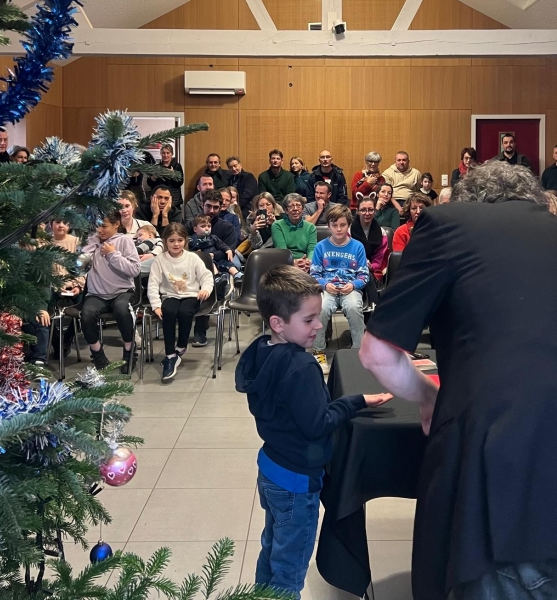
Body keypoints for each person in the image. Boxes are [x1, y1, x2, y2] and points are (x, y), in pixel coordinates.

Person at [359, 161, 557, 600]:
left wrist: (428, 395)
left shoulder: (450, 222)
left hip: (510, 475)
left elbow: (376, 352)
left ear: (470, 201)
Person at [235, 265, 392, 599]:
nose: (319, 325)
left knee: (272, 549)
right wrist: (354, 402)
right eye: (308, 320)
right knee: (290, 569)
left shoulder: (261, 352)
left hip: (271, 469)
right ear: (278, 322)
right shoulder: (302, 366)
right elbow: (318, 424)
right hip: (296, 481)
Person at [148, 223, 213, 382]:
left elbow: (206, 276)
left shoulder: (192, 257)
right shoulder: (160, 260)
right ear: (165, 241)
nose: (176, 244)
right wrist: (156, 305)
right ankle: (171, 355)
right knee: (169, 312)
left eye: (179, 240)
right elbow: (153, 284)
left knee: (185, 312)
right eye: (171, 241)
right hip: (170, 296)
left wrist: (205, 289)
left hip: (191, 295)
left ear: (185, 240)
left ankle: (181, 346)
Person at [310, 205, 369, 375]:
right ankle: (318, 352)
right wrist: (324, 284)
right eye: (334, 225)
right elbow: (314, 273)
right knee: (321, 309)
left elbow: (364, 275)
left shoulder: (357, 247)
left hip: (350, 289)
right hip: (327, 288)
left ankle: (359, 351)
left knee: (353, 308)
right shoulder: (321, 247)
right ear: (328, 226)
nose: (339, 229)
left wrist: (353, 285)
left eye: (343, 225)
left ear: (348, 225)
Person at [80, 210, 141, 373]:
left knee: (122, 310)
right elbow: (79, 269)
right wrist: (85, 252)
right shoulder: (91, 241)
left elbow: (134, 270)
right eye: (97, 226)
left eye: (104, 226)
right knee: (86, 314)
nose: (100, 230)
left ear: (116, 225)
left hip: (122, 291)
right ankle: (98, 354)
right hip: (97, 294)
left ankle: (129, 352)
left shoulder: (124, 241)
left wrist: (113, 254)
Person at [190, 190, 237, 347]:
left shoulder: (227, 227)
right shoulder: (193, 224)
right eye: (208, 206)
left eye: (215, 207)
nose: (211, 211)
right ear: (202, 205)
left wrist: (209, 256)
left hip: (218, 269)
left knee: (205, 283)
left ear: (221, 207)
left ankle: (199, 331)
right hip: (190, 268)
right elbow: (181, 246)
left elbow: (229, 253)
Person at [50, 217, 84, 359]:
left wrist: (78, 285)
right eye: (57, 222)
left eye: (65, 222)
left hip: (74, 284)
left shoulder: (77, 242)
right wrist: (57, 285)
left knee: (85, 303)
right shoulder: (45, 243)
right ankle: (56, 339)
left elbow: (83, 268)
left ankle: (69, 337)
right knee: (46, 302)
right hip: (54, 284)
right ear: (51, 224)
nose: (61, 225)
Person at [188, 214, 243, 283]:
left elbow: (221, 245)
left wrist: (227, 249)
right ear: (195, 229)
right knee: (211, 263)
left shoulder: (213, 238)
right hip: (205, 260)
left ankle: (237, 275)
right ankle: (217, 277)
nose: (207, 228)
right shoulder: (192, 240)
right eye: (203, 226)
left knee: (227, 263)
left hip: (216, 257)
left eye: (209, 226)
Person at [271, 193, 316, 272]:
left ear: (302, 209)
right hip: (285, 264)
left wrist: (308, 262)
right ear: (286, 210)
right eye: (291, 206)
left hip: (306, 265)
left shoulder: (311, 227)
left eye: (298, 205)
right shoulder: (277, 225)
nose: (295, 209)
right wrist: (293, 262)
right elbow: (282, 250)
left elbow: (312, 249)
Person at [350, 195, 389, 285]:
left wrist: (372, 266)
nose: (367, 213)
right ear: (357, 212)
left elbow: (380, 257)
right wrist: (362, 263)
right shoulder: (349, 230)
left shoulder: (381, 232)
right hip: (353, 269)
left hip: (373, 270)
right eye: (363, 210)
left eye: (370, 209)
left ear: (375, 211)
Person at [147, 143, 184, 208]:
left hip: (174, 199)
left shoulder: (177, 166)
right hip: (159, 199)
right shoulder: (156, 167)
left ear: (172, 154)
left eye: (168, 153)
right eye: (163, 153)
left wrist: (173, 175)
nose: (165, 155)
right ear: (161, 154)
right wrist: (153, 177)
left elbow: (180, 183)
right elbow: (150, 184)